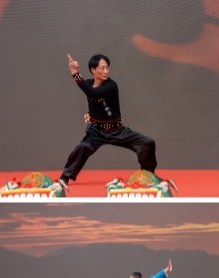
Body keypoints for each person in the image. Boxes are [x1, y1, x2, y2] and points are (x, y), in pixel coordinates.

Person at [59, 54, 158, 190]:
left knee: (147, 143)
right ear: (93, 70)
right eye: (102, 68)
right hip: (96, 132)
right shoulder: (89, 84)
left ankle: (148, 176)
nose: (106, 71)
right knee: (81, 149)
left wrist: (75, 73)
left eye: (107, 68)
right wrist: (90, 113)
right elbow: (91, 95)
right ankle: (64, 178)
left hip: (117, 131)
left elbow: (93, 93)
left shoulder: (111, 86)